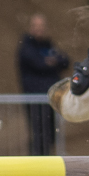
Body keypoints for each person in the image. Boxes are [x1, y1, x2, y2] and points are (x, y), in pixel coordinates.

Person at [17, 13, 69, 156]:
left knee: (51, 134)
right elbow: (39, 64)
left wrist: (51, 62)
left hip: (50, 99)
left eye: (42, 26)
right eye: (36, 26)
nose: (39, 29)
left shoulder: (48, 45)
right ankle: (36, 164)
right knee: (39, 134)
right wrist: (52, 62)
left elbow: (65, 60)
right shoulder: (26, 47)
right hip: (35, 99)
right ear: (31, 28)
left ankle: (46, 163)